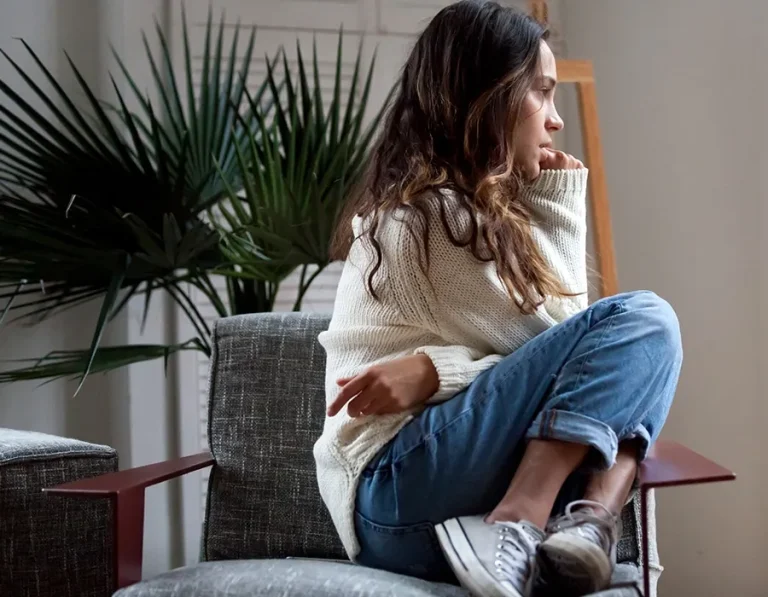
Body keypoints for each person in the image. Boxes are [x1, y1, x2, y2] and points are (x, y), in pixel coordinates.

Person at [313, 1, 683, 596]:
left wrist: (435, 372)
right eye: (542, 93)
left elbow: (576, 366)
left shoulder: (479, 216)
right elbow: (570, 345)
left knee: (629, 380)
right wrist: (561, 201)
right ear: (490, 97)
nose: (555, 121)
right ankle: (531, 517)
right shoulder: (429, 218)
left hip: (436, 502)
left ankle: (586, 529)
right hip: (398, 486)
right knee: (646, 321)